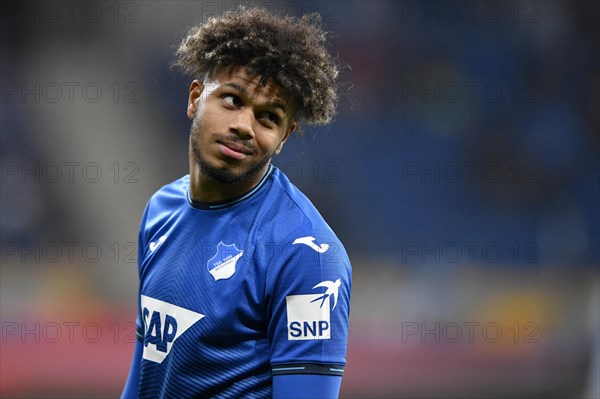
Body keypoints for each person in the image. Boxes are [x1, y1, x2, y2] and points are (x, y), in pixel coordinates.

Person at [121, 6, 352, 399]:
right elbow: (147, 369)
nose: (244, 126)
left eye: (268, 117)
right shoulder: (160, 211)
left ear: (283, 136)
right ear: (195, 98)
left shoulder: (307, 256)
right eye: (232, 99)